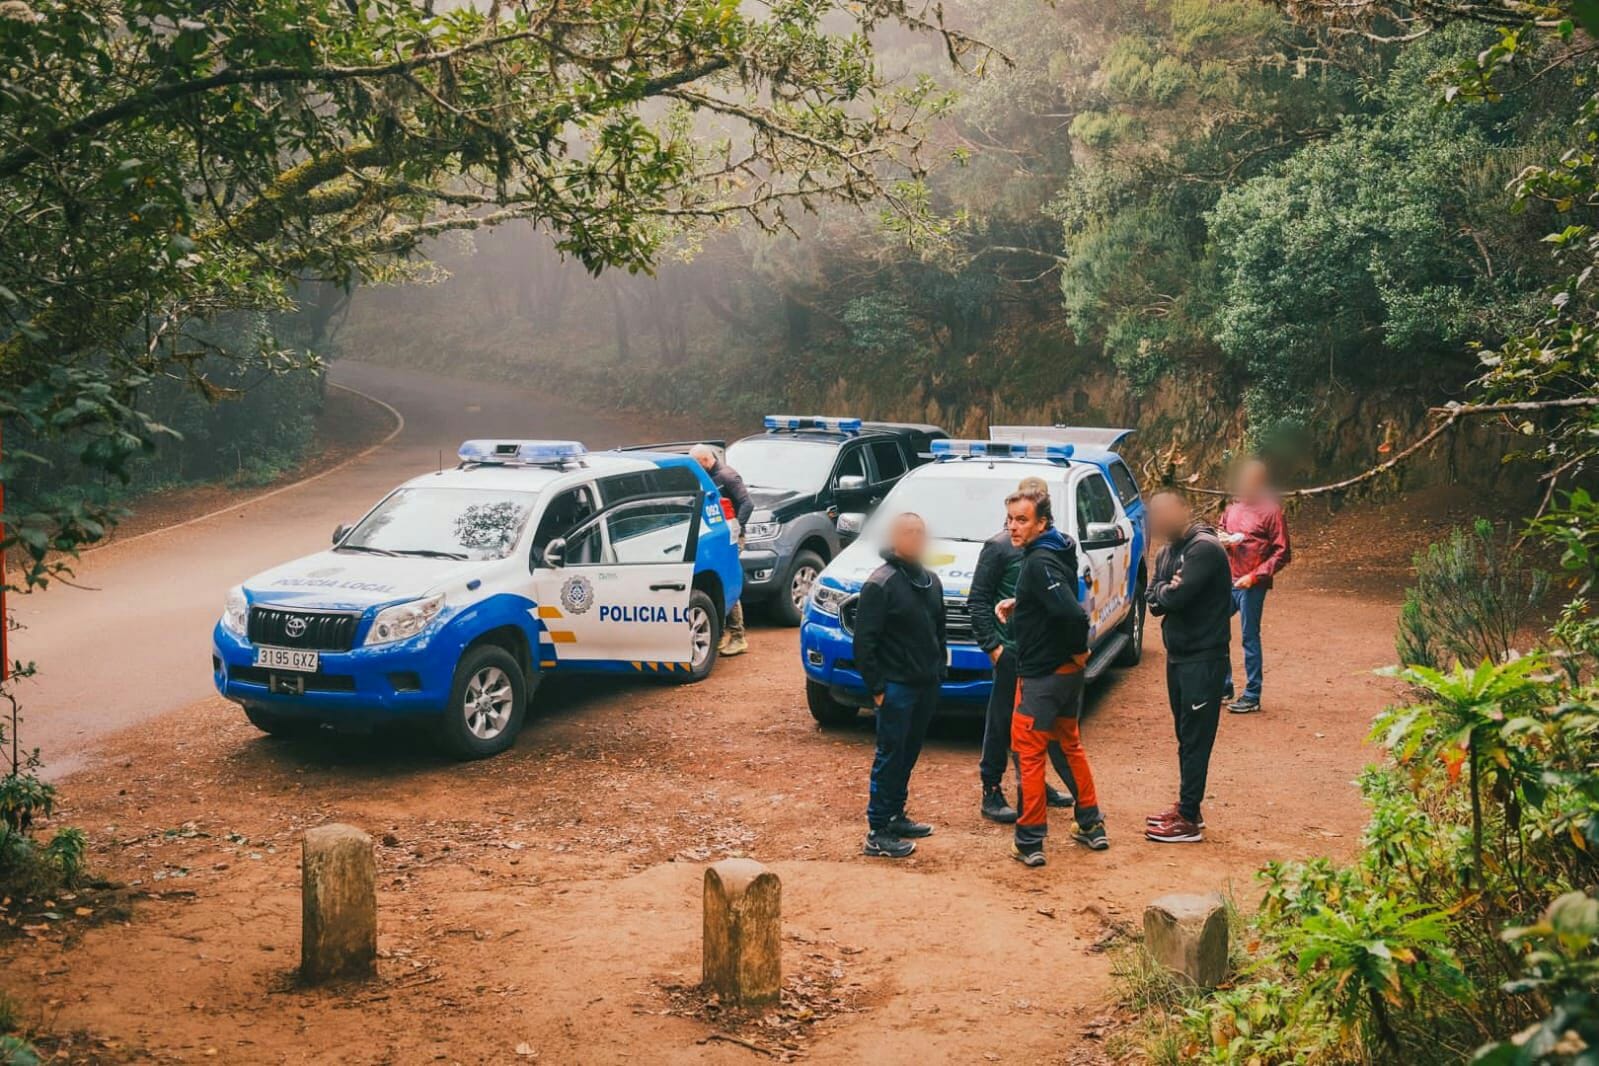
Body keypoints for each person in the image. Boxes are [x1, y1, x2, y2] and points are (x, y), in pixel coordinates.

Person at [995, 488, 1106, 866]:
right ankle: (1091, 824)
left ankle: (1029, 841)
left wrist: (1080, 650)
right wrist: (1022, 603)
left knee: (1028, 753)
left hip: (1043, 677)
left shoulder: (1038, 563)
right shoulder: (1058, 549)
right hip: (1065, 676)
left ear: (1041, 523)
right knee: (1069, 744)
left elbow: (1073, 615)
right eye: (1010, 519)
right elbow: (1054, 597)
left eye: (1022, 519)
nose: (1013, 526)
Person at [969, 476, 1078, 824]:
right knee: (1000, 721)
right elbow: (978, 599)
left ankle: (1035, 785)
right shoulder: (999, 547)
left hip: (1041, 653)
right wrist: (993, 647)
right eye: (1013, 518)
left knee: (1037, 727)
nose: (1016, 524)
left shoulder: (1057, 546)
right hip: (1011, 650)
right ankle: (991, 790)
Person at [853, 511, 947, 859]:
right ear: (894, 538)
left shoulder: (931, 581)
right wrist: (878, 688)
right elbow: (864, 643)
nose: (916, 538)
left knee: (908, 753)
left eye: (920, 532)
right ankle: (878, 829)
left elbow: (940, 629)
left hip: (924, 686)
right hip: (895, 688)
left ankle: (896, 814)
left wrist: (939, 670)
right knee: (890, 755)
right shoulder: (880, 584)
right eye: (908, 532)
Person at [1143, 490, 1232, 844]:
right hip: (1178, 656)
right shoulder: (1167, 551)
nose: (1159, 521)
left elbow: (1175, 597)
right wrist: (1167, 587)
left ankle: (1189, 820)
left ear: (1183, 510)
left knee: (1195, 738)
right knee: (1185, 734)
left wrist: (1167, 591)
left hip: (1204, 658)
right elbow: (1152, 601)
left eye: (1165, 513)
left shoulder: (1203, 549)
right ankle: (1188, 807)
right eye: (1154, 515)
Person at [1217, 458, 1292, 714]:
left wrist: (1256, 576)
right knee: (1216, 630)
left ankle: (1252, 694)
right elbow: (1221, 530)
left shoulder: (1271, 511)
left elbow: (1282, 552)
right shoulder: (1232, 507)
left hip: (1251, 584)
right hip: (1227, 580)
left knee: (1249, 637)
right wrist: (1224, 540)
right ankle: (1223, 685)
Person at [691, 444, 754, 657]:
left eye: (697, 464)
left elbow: (747, 503)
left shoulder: (727, 476)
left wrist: (736, 527)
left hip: (732, 537)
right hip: (719, 537)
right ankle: (718, 636)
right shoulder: (710, 477)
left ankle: (738, 637)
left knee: (727, 580)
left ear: (705, 460)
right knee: (717, 581)